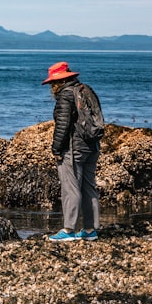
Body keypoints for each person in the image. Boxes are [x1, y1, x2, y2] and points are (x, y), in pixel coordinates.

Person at [42, 61, 100, 242]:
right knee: (89, 186)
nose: (51, 86)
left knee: (70, 187)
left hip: (73, 147)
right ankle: (90, 230)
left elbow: (63, 125)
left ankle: (68, 230)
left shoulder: (65, 95)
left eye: (52, 83)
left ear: (58, 81)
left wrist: (57, 148)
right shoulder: (85, 89)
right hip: (92, 145)